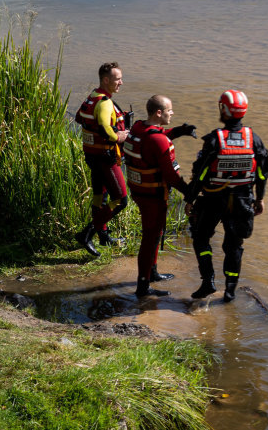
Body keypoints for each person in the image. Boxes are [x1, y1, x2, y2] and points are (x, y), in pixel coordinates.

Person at [185, 90, 268, 302]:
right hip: (242, 201)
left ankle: (208, 281)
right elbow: (262, 173)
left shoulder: (215, 139)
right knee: (234, 245)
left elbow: (201, 173)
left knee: (201, 238)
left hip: (213, 200)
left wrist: (190, 199)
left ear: (223, 110)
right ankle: (230, 290)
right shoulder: (253, 139)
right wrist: (260, 198)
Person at [122, 95, 196, 297]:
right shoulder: (158, 140)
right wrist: (188, 191)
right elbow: (171, 175)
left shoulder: (138, 128)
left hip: (139, 190)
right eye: (170, 110)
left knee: (154, 234)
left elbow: (155, 137)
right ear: (159, 113)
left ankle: (152, 272)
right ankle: (143, 286)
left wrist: (179, 131)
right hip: (153, 195)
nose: (172, 113)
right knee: (150, 238)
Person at [74, 62, 132, 255]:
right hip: (105, 158)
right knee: (121, 199)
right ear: (106, 80)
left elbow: (79, 117)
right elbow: (106, 129)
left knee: (100, 197)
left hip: (92, 155)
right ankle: (87, 234)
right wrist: (120, 136)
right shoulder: (105, 102)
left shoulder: (92, 96)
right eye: (117, 79)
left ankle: (104, 237)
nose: (121, 83)